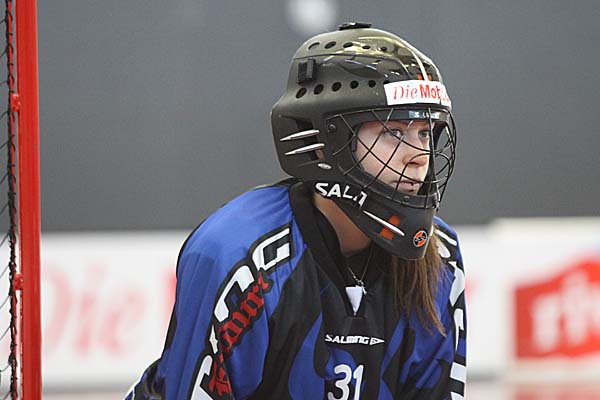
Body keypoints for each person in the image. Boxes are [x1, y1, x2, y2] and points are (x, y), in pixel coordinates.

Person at [127, 22, 466, 400]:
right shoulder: (236, 254)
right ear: (325, 141)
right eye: (394, 132)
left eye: (424, 133)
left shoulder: (440, 256)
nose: (419, 156)